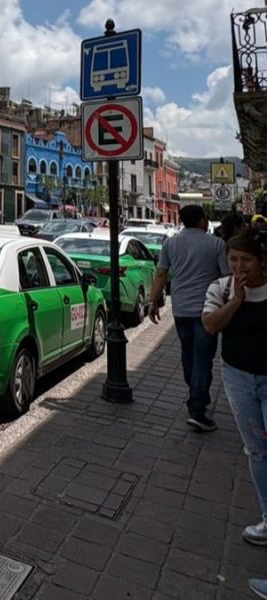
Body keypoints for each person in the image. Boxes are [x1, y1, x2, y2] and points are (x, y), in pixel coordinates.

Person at [201, 235, 267, 569]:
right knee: (256, 450)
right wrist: (236, 301)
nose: (239, 266)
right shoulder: (222, 289)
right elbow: (210, 326)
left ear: (261, 261)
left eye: (246, 260)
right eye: (234, 259)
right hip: (238, 378)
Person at [148, 205, 229, 431]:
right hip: (208, 311)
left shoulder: (170, 243)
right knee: (203, 358)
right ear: (203, 220)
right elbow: (226, 277)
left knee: (188, 353)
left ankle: (196, 394)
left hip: (181, 308)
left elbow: (161, 273)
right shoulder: (217, 245)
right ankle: (197, 408)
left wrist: (153, 302)